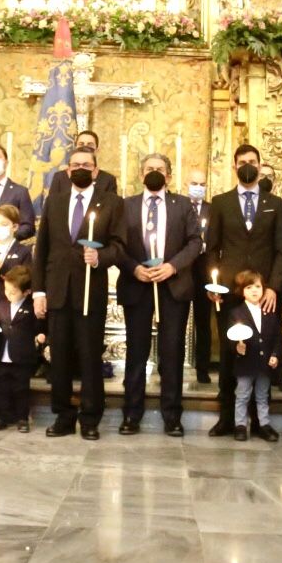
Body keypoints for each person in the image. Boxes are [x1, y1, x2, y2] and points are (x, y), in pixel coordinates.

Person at [32, 143, 126, 440]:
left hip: (89, 291)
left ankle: (89, 418)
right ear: (68, 170)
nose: (81, 169)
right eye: (76, 165)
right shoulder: (55, 202)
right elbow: (42, 249)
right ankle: (62, 415)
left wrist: (100, 258)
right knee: (58, 358)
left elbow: (119, 246)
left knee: (89, 357)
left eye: (87, 165)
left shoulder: (110, 202)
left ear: (95, 171)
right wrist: (38, 293)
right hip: (58, 291)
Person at [116, 152, 202, 437]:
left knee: (172, 351)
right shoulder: (126, 206)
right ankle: (131, 413)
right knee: (136, 352)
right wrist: (134, 269)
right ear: (141, 174)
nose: (154, 172)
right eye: (149, 168)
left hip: (172, 287)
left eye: (160, 169)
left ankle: (172, 416)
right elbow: (117, 246)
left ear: (169, 175)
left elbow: (195, 242)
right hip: (137, 285)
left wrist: (172, 267)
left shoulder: (183, 205)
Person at [205, 143, 282, 437]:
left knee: (261, 356)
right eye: (242, 162)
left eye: (252, 161)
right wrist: (212, 285)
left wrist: (274, 287)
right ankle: (229, 418)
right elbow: (212, 248)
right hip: (231, 293)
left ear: (260, 164)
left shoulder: (275, 204)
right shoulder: (221, 202)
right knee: (232, 356)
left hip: (263, 294)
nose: (247, 166)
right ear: (235, 166)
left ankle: (260, 421)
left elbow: (281, 250)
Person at [0, 263, 41, 432]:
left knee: (21, 388)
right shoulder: (1, 303)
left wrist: (42, 335)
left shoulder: (30, 307)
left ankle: (22, 417)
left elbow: (38, 326)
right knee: (2, 388)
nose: (8, 294)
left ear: (27, 292)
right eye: (6, 290)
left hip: (21, 355)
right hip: (2, 353)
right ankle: (3, 416)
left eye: (13, 292)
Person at [226, 270, 279, 441]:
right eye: (249, 287)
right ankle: (240, 425)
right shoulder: (237, 313)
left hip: (264, 363)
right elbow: (232, 335)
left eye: (258, 286)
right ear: (242, 291)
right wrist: (237, 346)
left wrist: (275, 354)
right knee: (242, 394)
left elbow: (278, 336)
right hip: (246, 362)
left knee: (262, 395)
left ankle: (264, 424)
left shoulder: (269, 311)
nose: (254, 290)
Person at [184, 169, 214, 384]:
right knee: (177, 319)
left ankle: (203, 368)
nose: (198, 187)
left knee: (204, 322)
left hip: (204, 269)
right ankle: (168, 365)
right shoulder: (180, 206)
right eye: (194, 183)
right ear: (187, 184)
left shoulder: (213, 209)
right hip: (184, 268)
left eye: (202, 184)